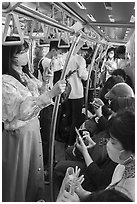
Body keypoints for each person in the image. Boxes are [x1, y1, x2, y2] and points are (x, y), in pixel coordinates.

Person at [2, 36, 66, 202]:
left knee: (31, 171)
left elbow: (39, 94)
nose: (24, 54)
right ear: (9, 55)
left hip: (31, 131)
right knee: (20, 174)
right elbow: (22, 111)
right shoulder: (5, 81)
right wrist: (50, 94)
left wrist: (46, 80)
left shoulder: (25, 75)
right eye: (20, 52)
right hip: (18, 135)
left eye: (25, 51)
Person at [57, 109, 135, 202]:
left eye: (113, 142)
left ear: (129, 149)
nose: (108, 144)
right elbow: (105, 195)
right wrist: (81, 192)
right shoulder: (122, 167)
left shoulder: (131, 188)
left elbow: (100, 181)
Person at [64, 44, 88, 146]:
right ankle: (71, 141)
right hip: (77, 92)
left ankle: (65, 139)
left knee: (68, 116)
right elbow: (83, 75)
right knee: (76, 119)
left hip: (66, 92)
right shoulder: (80, 59)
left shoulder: (64, 57)